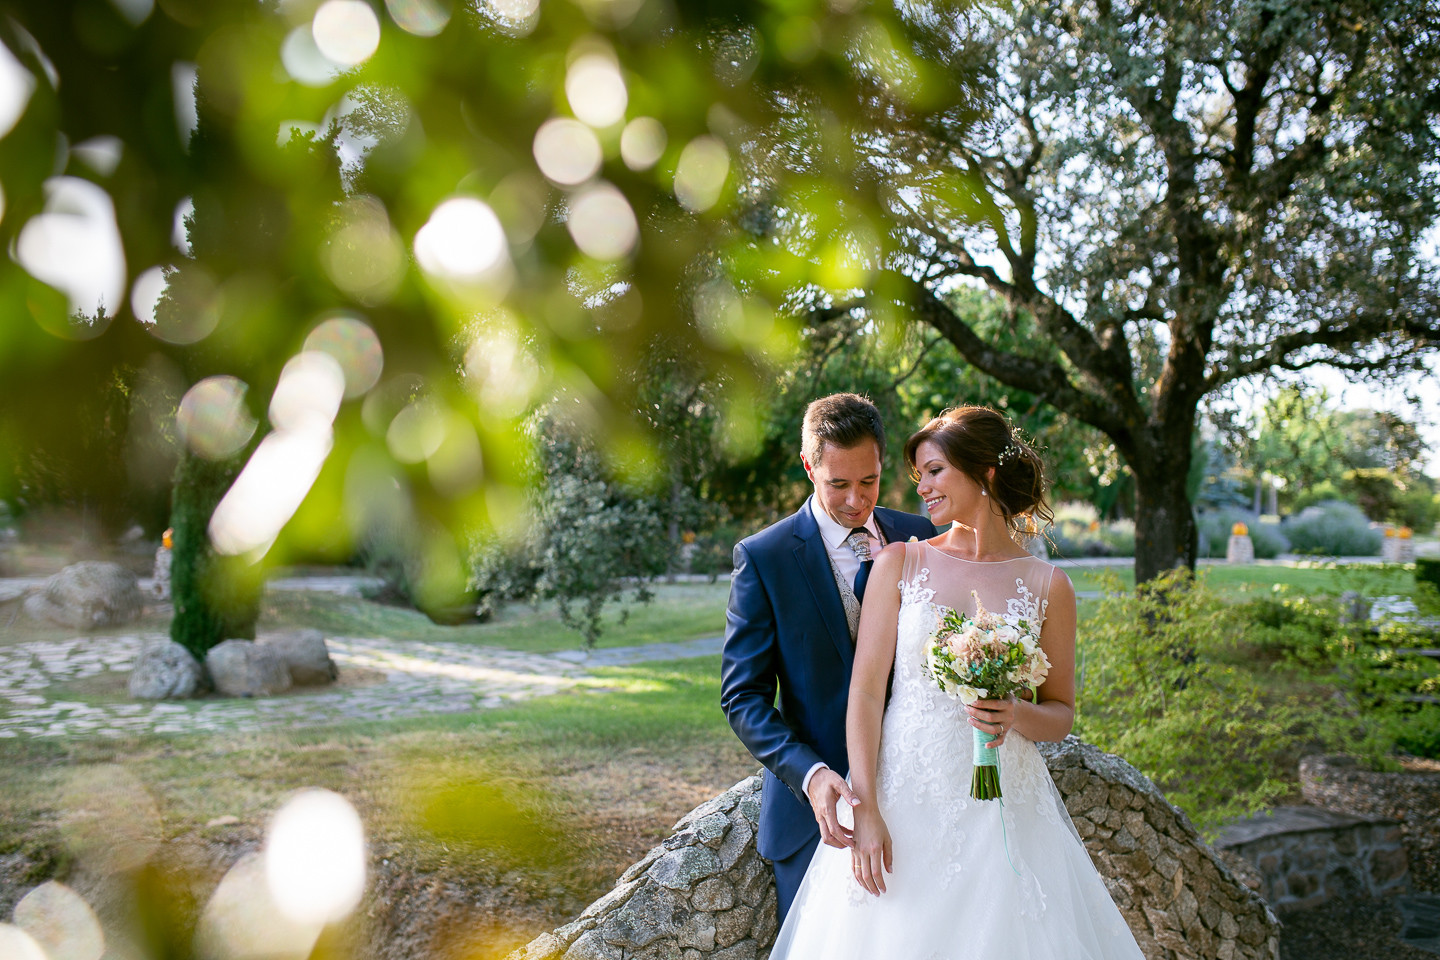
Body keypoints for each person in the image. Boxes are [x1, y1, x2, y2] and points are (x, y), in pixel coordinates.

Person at [768, 406, 1145, 959]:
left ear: (985, 472)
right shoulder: (901, 562)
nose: (921, 487)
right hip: (903, 798)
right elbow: (868, 693)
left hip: (1004, 812)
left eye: (935, 471)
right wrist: (866, 808)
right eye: (919, 474)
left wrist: (1015, 715)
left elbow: (1061, 712)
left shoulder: (1048, 585)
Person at [720, 393, 939, 923]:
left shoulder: (922, 536)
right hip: (818, 822)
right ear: (808, 466)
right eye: (837, 483)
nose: (855, 500)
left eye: (869, 481)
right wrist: (811, 773)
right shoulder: (765, 557)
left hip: (925, 797)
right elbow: (743, 696)